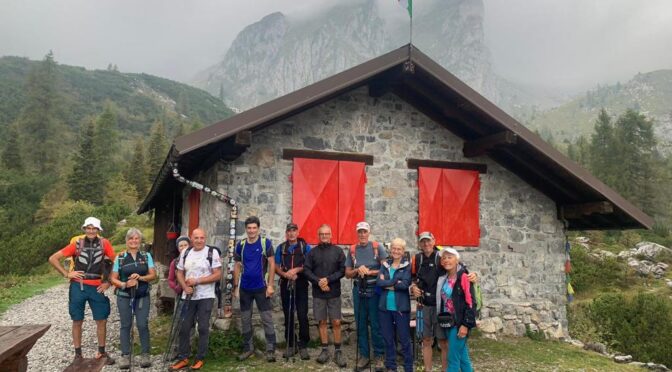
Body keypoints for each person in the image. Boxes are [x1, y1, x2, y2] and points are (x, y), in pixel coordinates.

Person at [48, 217, 116, 364]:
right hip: (77, 286)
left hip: (97, 286)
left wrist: (109, 282)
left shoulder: (105, 244)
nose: (91, 231)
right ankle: (78, 355)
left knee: (101, 320)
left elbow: (116, 262)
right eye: (88, 228)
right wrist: (67, 273)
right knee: (77, 320)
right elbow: (53, 258)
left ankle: (102, 353)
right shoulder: (76, 244)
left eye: (94, 228)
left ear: (98, 230)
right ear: (84, 229)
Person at [409, 232, 477, 372]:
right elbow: (413, 279)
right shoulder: (417, 259)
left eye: (429, 241)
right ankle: (428, 370)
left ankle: (445, 370)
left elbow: (461, 269)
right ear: (420, 243)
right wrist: (413, 287)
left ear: (434, 241)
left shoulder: (442, 255)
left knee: (443, 342)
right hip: (424, 305)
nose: (426, 244)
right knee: (426, 340)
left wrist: (474, 275)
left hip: (442, 309)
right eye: (423, 241)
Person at [170, 228, 222, 371]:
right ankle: (183, 357)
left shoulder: (212, 253)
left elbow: (218, 275)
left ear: (205, 239)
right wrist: (184, 287)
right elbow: (179, 273)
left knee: (203, 327)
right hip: (188, 295)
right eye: (196, 238)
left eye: (202, 238)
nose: (199, 240)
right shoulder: (186, 253)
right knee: (184, 327)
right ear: (191, 239)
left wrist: (198, 281)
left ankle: (200, 358)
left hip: (206, 296)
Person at [109, 228, 157, 369]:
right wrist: (125, 284)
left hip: (142, 295)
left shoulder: (146, 256)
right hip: (124, 296)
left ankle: (145, 354)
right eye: (131, 239)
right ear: (126, 241)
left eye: (136, 238)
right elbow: (113, 278)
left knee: (142, 324)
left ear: (140, 240)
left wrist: (140, 277)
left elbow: (153, 275)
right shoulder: (121, 257)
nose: (134, 241)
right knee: (125, 325)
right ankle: (125, 355)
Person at [234, 216, 277, 362]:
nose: (251, 231)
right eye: (249, 228)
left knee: (266, 319)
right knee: (246, 319)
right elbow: (237, 265)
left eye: (254, 228)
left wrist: (270, 285)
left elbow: (272, 264)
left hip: (261, 288)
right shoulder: (241, 245)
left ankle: (270, 349)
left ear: (258, 229)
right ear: (246, 229)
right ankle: (248, 348)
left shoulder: (265, 243)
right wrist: (235, 287)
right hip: (245, 288)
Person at [345, 221, 387, 371]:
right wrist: (358, 271)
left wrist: (369, 272)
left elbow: (386, 268)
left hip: (375, 290)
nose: (362, 234)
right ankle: (364, 355)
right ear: (357, 233)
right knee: (361, 323)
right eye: (360, 232)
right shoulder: (352, 249)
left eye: (365, 231)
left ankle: (379, 355)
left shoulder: (377, 247)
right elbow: (347, 273)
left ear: (369, 233)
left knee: (376, 324)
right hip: (359, 290)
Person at [303, 224, 347, 368]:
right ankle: (324, 350)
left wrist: (328, 280)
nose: (324, 236)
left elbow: (342, 270)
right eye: (321, 234)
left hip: (334, 292)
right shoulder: (312, 253)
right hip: (318, 293)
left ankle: (338, 351)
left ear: (331, 235)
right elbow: (307, 270)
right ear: (318, 235)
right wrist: (319, 281)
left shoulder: (338, 251)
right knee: (321, 321)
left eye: (326, 234)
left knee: (336, 322)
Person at [274, 223, 311, 360]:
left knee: (302, 314)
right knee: (288, 314)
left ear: (297, 232)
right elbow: (276, 266)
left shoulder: (305, 247)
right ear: (286, 233)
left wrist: (296, 270)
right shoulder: (281, 248)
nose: (291, 234)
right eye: (289, 231)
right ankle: (291, 344)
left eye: (294, 231)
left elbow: (308, 264)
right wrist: (285, 275)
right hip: (286, 283)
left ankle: (303, 344)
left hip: (301, 283)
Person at [436, 248, 476, 372]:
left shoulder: (464, 277)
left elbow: (471, 303)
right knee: (463, 358)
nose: (446, 260)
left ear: (457, 260)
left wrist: (465, 325)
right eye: (444, 258)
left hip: (459, 324)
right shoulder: (444, 278)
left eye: (450, 257)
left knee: (452, 359)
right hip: (448, 323)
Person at [377, 238, 413, 372]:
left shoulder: (407, 266)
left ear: (403, 251)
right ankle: (391, 365)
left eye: (399, 249)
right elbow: (379, 283)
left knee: (404, 339)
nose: (396, 251)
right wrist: (394, 282)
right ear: (390, 250)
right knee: (388, 339)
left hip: (401, 308)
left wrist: (388, 283)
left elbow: (405, 285)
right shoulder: (385, 264)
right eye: (394, 248)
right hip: (384, 307)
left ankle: (408, 366)